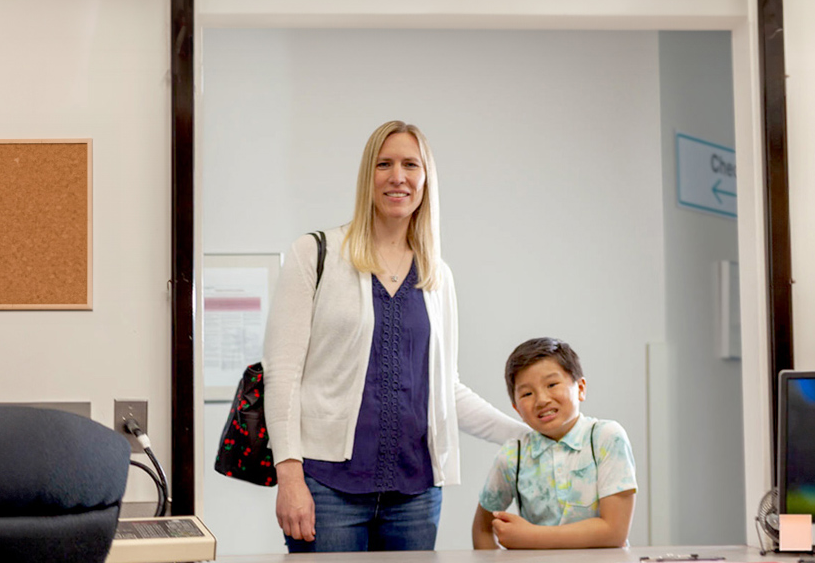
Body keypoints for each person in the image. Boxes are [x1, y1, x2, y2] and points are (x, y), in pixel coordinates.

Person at [262, 120, 529, 552]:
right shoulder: (316, 254)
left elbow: (447, 390)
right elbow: (283, 376)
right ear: (368, 176)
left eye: (410, 164)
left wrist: (526, 435)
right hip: (329, 490)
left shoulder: (437, 275)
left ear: (426, 180)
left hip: (416, 495)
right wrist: (289, 477)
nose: (397, 176)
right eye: (384, 164)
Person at [472, 337, 637, 549]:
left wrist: (529, 537)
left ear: (580, 388)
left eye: (552, 384)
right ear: (516, 409)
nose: (541, 400)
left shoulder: (606, 438)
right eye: (527, 393)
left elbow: (614, 531)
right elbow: (482, 529)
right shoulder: (514, 454)